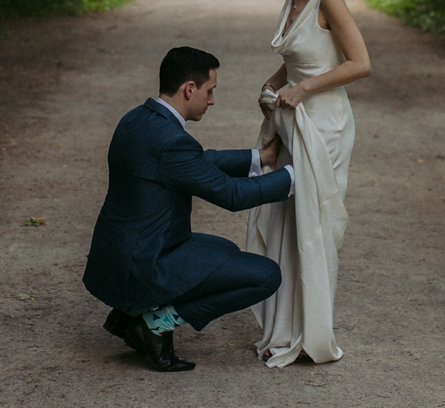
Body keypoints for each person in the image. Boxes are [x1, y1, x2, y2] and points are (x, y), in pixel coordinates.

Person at [84, 46, 294, 373]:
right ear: (189, 89)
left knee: (225, 250)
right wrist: (293, 176)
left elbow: (198, 162)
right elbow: (232, 196)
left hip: (117, 256)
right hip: (143, 264)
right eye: (210, 91)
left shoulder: (137, 119)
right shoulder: (171, 141)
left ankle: (132, 316)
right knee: (266, 275)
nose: (212, 100)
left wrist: (259, 158)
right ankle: (154, 323)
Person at [246, 0, 371, 367]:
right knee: (286, 217)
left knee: (314, 225)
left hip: (325, 125)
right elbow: (302, 57)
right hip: (293, 121)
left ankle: (312, 332)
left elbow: (359, 63)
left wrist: (301, 89)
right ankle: (286, 324)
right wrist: (275, 82)